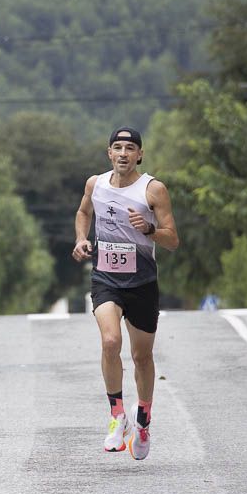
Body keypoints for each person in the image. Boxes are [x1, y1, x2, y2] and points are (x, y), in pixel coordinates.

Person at [73, 127, 179, 461]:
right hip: (106, 278)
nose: (123, 153)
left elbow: (172, 239)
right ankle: (117, 416)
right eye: (117, 147)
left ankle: (143, 420)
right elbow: (83, 212)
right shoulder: (96, 184)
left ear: (139, 155)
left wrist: (148, 228)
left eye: (130, 148)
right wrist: (81, 239)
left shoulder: (153, 190)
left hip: (142, 281)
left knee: (142, 357)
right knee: (109, 342)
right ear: (109, 153)